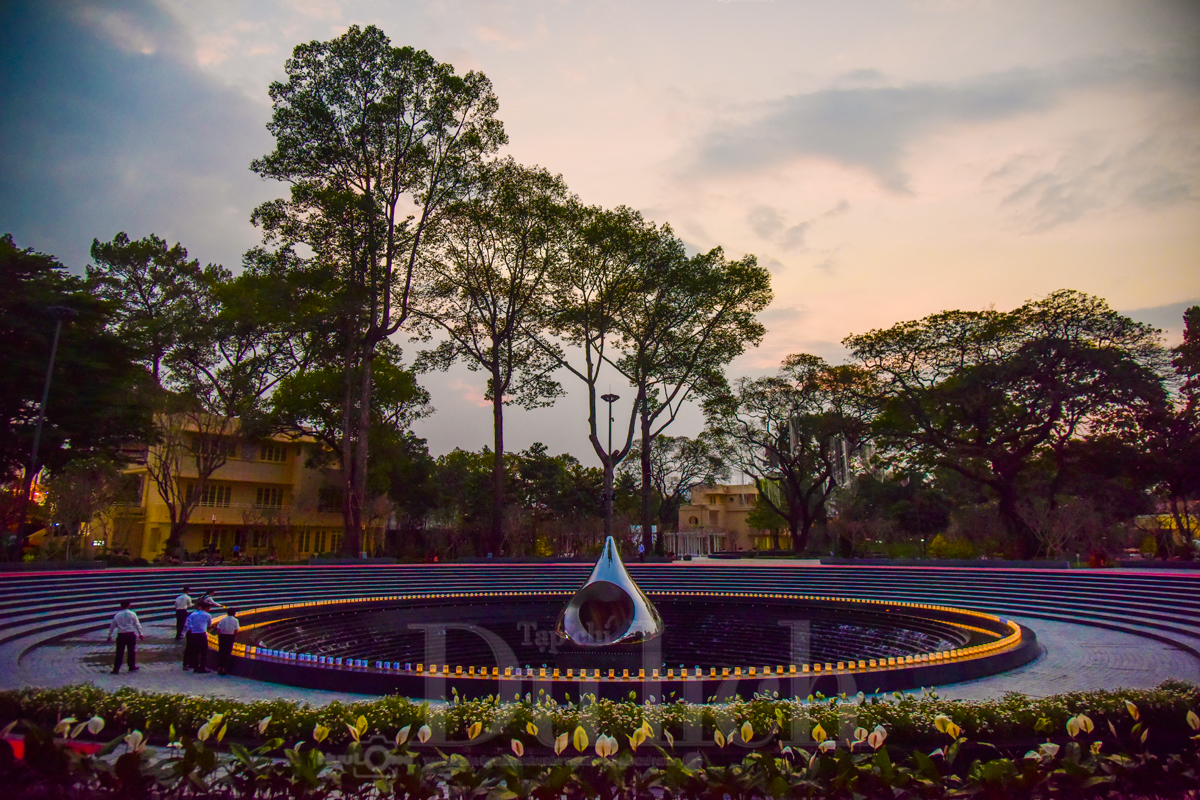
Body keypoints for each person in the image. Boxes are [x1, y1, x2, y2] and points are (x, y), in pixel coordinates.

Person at [106, 599, 144, 674]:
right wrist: (140, 633)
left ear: (121, 606)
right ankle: (131, 666)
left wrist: (109, 635)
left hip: (121, 634)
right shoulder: (132, 614)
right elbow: (137, 624)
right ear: (129, 605)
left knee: (119, 652)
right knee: (131, 651)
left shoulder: (117, 615)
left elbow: (112, 626)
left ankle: (116, 668)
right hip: (130, 634)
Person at [182, 601, 214, 673]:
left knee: (195, 652)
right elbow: (209, 625)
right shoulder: (208, 615)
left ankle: (195, 667)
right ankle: (202, 667)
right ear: (205, 608)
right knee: (204, 652)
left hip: (194, 634)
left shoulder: (192, 614)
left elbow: (188, 624)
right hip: (202, 634)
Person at [215, 609, 240, 675]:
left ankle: (219, 667)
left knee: (221, 651)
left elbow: (218, 628)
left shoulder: (223, 619)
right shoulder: (235, 620)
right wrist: (234, 636)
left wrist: (220, 633)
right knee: (227, 652)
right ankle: (224, 668)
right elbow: (236, 630)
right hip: (230, 637)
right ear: (234, 613)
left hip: (222, 637)